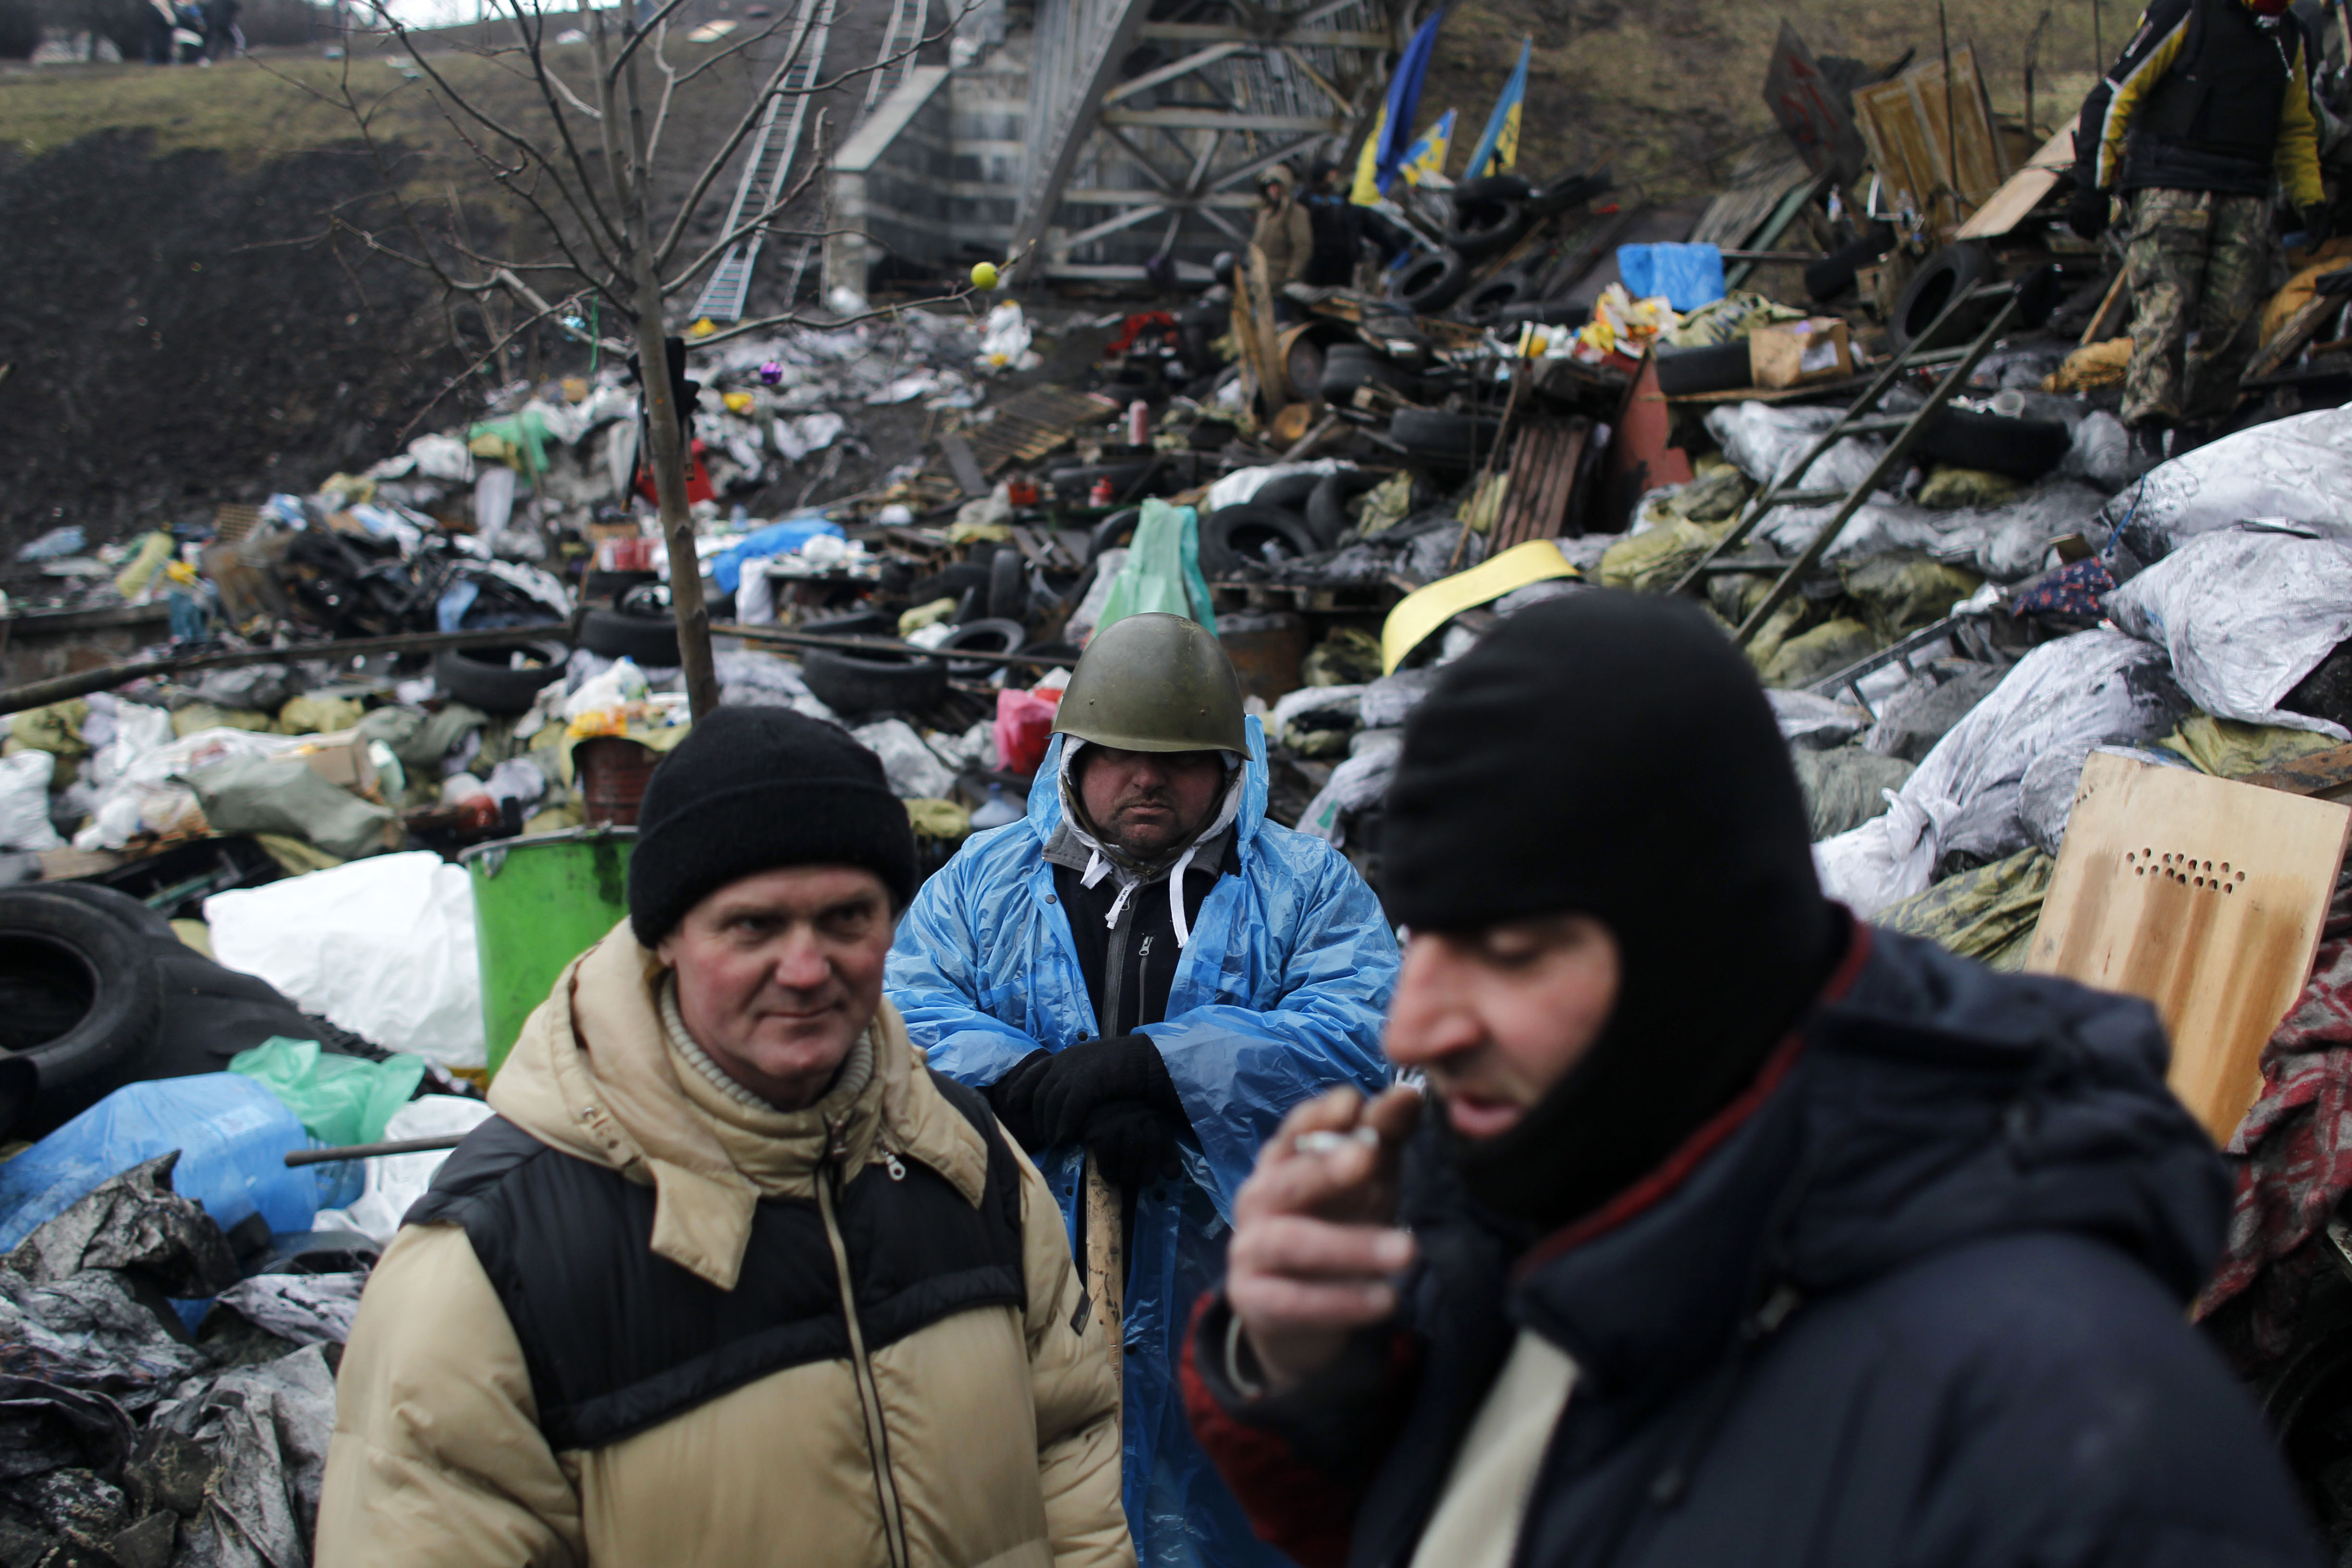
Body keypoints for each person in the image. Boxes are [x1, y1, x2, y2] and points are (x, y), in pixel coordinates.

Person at [1181, 591, 2324, 1568]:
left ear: (1698, 949)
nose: (1415, 1022)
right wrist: (1315, 1366)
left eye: (1512, 952)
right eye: (1421, 932)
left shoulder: (2077, 1440)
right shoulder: (1544, 1200)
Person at [319, 709, 1131, 1568]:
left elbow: (1068, 1451)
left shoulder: (963, 1157)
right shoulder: (491, 1264)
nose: (808, 966)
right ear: (664, 935)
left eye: (848, 916)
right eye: (753, 925)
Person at [887, 612, 1398, 1568]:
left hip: (1239, 1313)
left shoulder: (1306, 890)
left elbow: (1361, 1032)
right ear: (1075, 758)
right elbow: (906, 1007)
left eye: (1180, 760)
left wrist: (1163, 1072)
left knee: (1241, 1521)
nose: (1148, 779)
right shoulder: (984, 884)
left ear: (1229, 767)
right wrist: (1031, 1082)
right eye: (1120, 756)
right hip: (1020, 1291)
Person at [2071, 0, 2328, 455]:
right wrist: (2094, 185)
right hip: (2171, 186)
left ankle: (2197, 432)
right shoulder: (2188, 11)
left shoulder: (2289, 35)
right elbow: (2116, 94)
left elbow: (2295, 127)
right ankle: (2147, 433)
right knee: (2164, 311)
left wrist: (2310, 200)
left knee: (2235, 325)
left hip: (2246, 195)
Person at [1250, 166, 1315, 293]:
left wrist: (1292, 276)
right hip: (1261, 283)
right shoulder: (1265, 213)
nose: (1274, 190)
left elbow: (1303, 247)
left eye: (1277, 186)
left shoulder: (1296, 213)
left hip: (1282, 285)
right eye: (1270, 186)